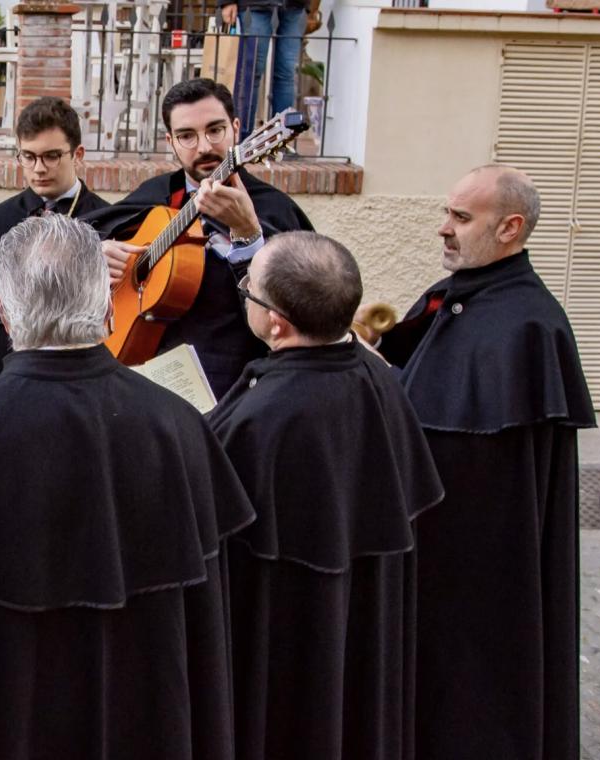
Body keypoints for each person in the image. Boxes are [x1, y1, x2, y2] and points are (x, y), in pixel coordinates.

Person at [0, 214, 254, 760]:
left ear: (3, 313)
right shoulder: (178, 425)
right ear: (110, 310)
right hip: (150, 719)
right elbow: (208, 626)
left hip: (3, 721)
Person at [375, 165, 594, 760]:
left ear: (511, 227)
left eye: (461, 218)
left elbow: (499, 472)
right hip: (437, 549)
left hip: (482, 566)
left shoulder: (527, 323)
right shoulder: (463, 296)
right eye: (447, 213)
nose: (443, 229)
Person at [206, 231, 443, 760]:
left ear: (276, 322)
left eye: (249, 287)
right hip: (359, 632)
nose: (245, 292)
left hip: (284, 644)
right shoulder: (380, 381)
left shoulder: (265, 419)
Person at [91, 78, 312, 397]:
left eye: (215, 130)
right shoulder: (154, 195)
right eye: (187, 136)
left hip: (235, 389)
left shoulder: (274, 210)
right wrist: (97, 252)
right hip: (144, 380)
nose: (205, 146)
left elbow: (297, 313)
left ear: (236, 128)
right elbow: (81, 233)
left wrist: (249, 236)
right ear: (171, 141)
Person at [0, 96, 111, 407]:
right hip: (4, 387)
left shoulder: (110, 222)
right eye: (28, 157)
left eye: (51, 156)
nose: (38, 169)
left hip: (84, 390)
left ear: (78, 154)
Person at [221, 0, 307, 140]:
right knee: (251, 71)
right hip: (255, 5)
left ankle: (281, 141)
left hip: (294, 6)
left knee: (286, 73)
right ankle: (242, 140)